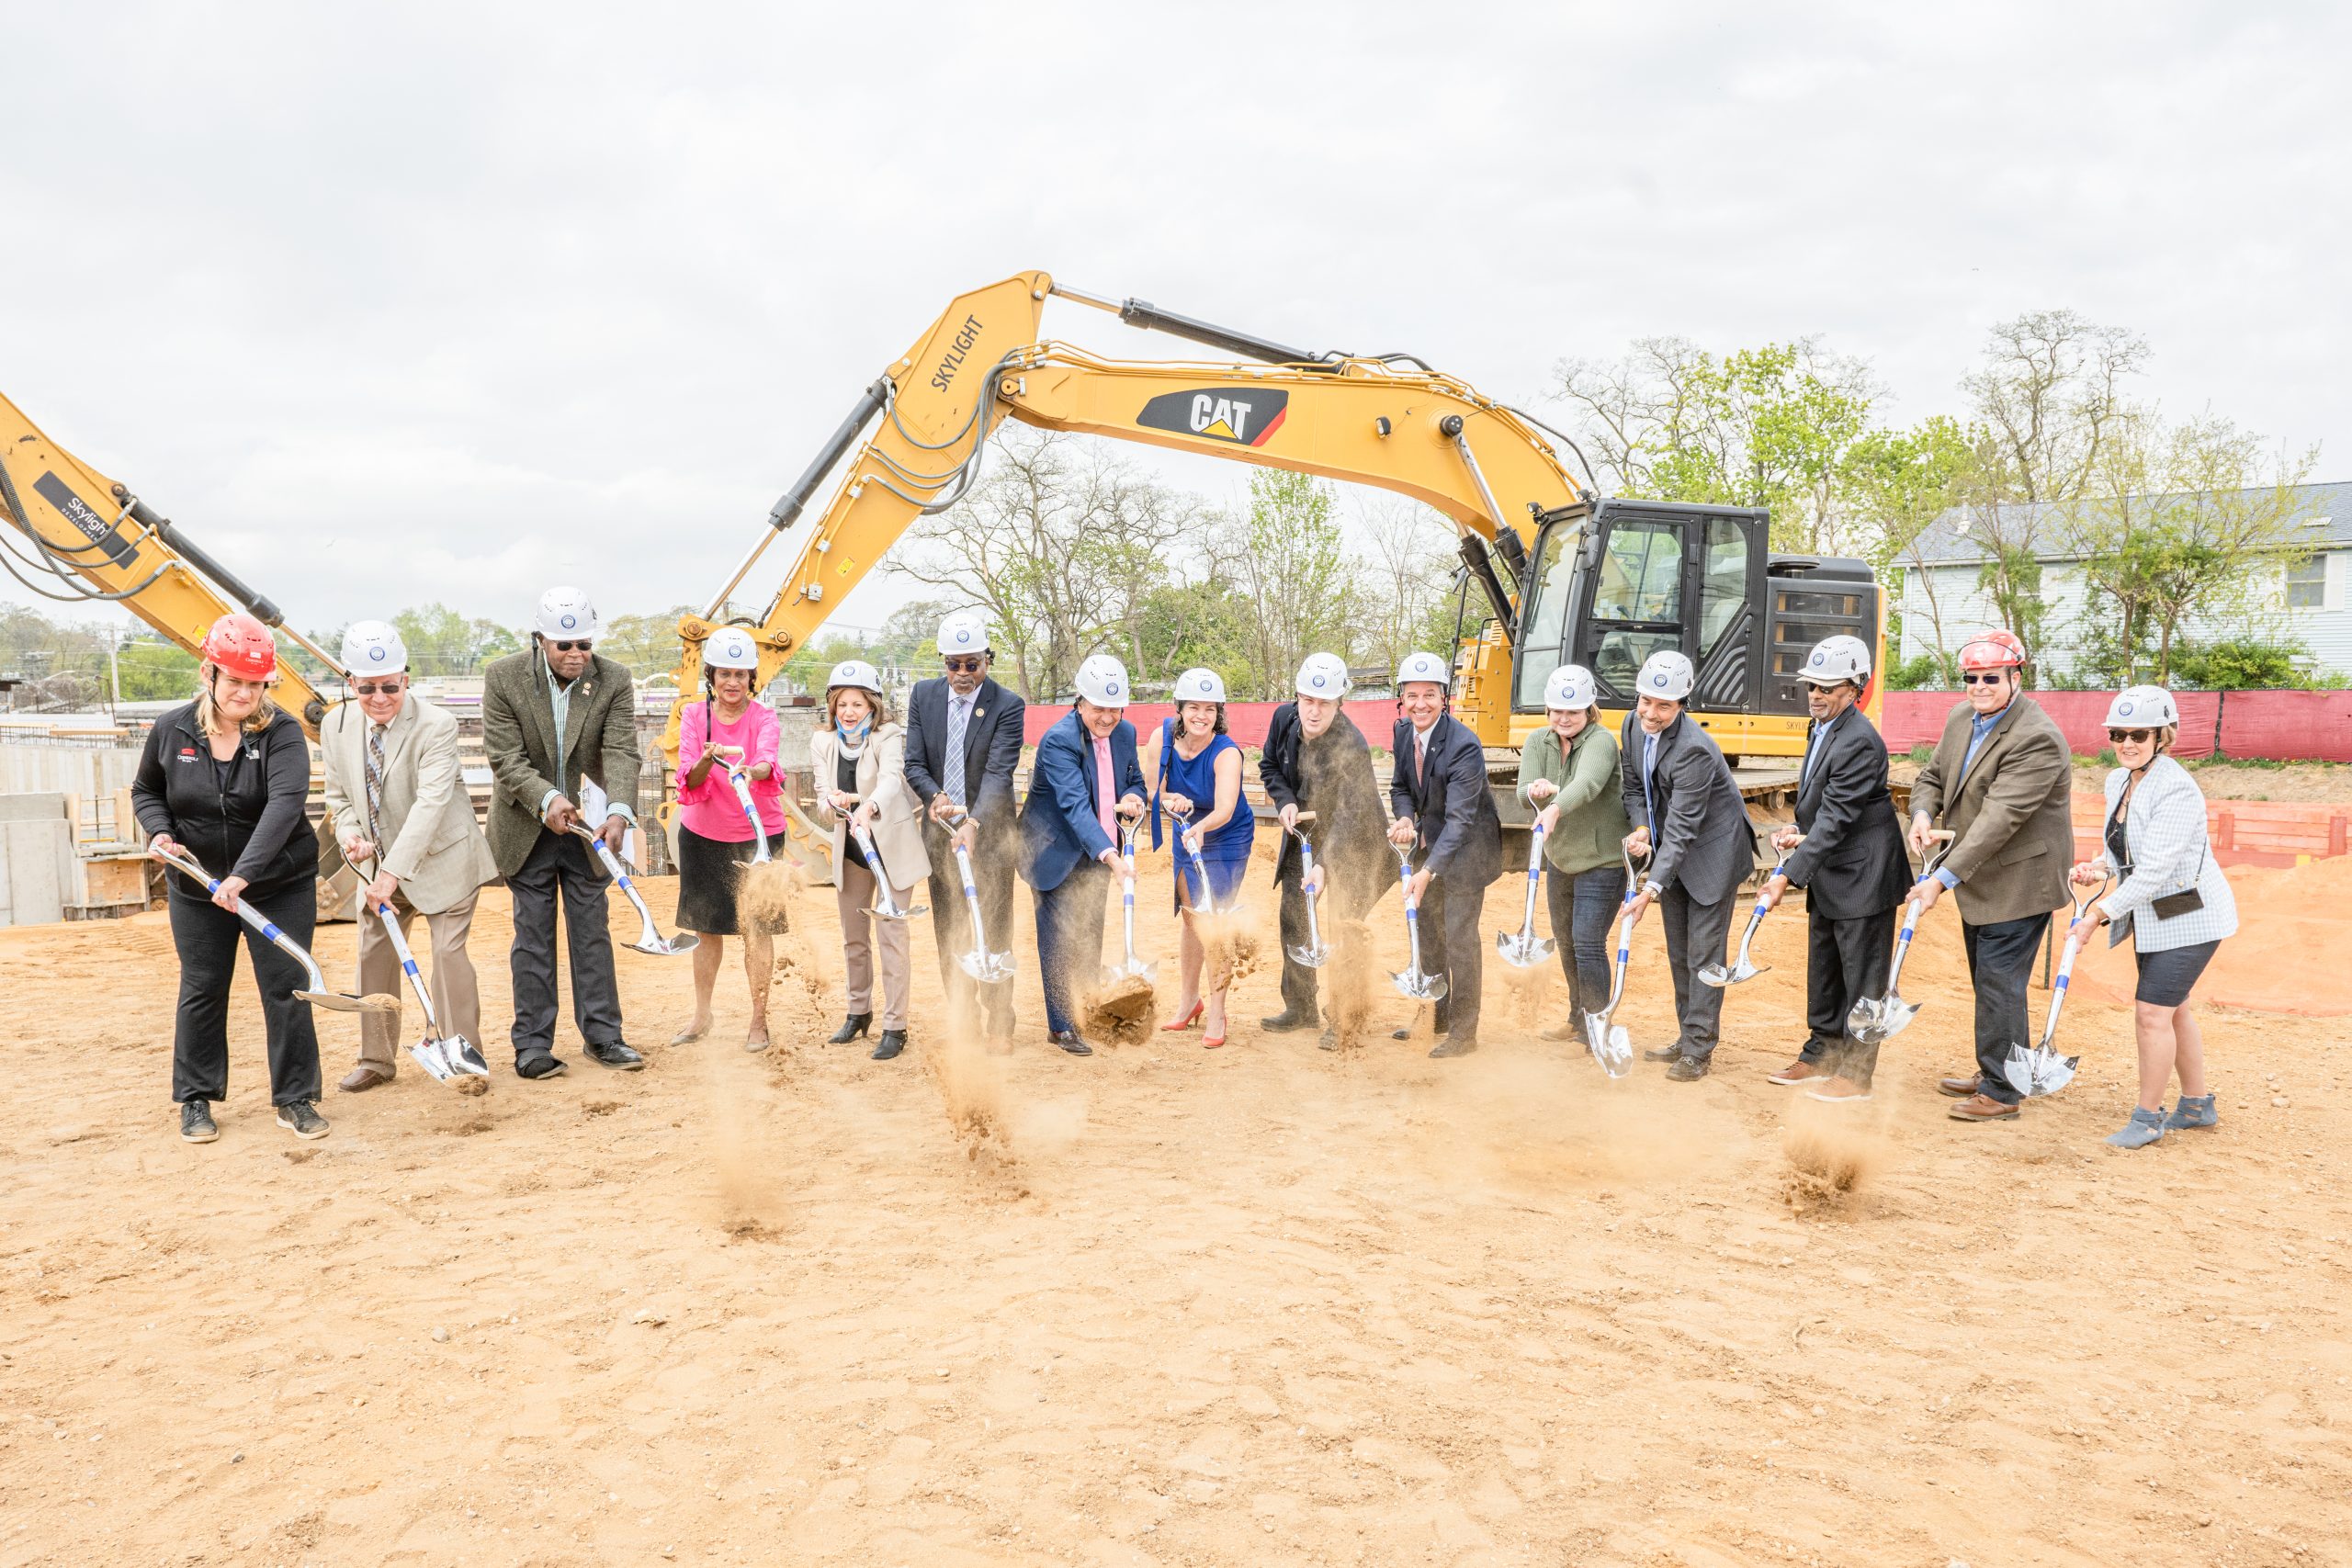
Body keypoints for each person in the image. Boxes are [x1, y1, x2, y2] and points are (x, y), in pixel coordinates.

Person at [131, 613, 329, 1143]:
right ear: (209, 672)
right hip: (197, 886)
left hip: (277, 885)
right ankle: (195, 1099)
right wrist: (159, 832)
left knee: (287, 987)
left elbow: (285, 806)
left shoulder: (283, 732)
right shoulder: (172, 729)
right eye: (234, 680)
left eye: (255, 683)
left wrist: (243, 876)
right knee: (202, 987)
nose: (244, 693)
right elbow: (146, 791)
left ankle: (296, 1098)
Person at [322, 620, 499, 1093]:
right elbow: (338, 798)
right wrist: (353, 837)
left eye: (389, 686)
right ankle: (376, 1058)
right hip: (378, 864)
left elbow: (431, 805)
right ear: (350, 682)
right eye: (367, 688)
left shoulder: (436, 725)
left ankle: (462, 1053)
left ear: (406, 678)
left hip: (444, 859)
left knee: (446, 954)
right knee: (374, 948)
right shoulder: (335, 725)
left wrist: (393, 872)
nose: (379, 697)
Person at [1908, 629, 2075, 1124]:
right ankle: (1999, 1068)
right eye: (1972, 678)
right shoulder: (1963, 718)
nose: (1980, 686)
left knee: (2000, 981)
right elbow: (1931, 777)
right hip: (1981, 876)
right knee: (1990, 980)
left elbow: (1999, 819)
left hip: (2021, 880)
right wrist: (1922, 813)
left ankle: (2002, 1091)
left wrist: (1941, 879)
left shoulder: (2036, 737)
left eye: (1992, 677)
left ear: (2016, 676)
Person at [481, 586, 645, 1080]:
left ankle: (604, 1036)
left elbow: (620, 749)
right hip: (526, 825)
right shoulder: (503, 677)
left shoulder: (613, 679)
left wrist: (617, 810)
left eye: (585, 645)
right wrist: (547, 799)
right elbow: (505, 758)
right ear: (540, 641)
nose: (576, 655)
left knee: (592, 932)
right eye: (564, 646)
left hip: (588, 828)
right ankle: (532, 1046)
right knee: (532, 938)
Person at [2070, 685, 2239, 1148]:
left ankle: (2147, 1118)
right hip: (2154, 914)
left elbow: (2156, 870)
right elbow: (2122, 849)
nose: (2127, 743)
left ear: (2164, 735)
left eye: (2138, 734)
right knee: (2173, 1008)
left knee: (2151, 1014)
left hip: (2191, 915)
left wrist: (2098, 914)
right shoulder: (2117, 781)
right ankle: (2197, 1104)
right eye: (2118, 733)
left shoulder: (2177, 789)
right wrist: (2098, 867)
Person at [1758, 635, 1910, 1102]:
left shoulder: (1861, 741)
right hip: (1832, 867)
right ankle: (1821, 1052)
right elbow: (1825, 812)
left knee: (1863, 976)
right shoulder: (1821, 727)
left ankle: (1857, 1074)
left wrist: (1786, 873)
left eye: (1829, 687)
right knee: (1825, 968)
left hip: (1864, 874)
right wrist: (1799, 834)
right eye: (1812, 687)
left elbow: (1837, 817)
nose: (1817, 696)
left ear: (1856, 688)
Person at [1617, 649, 1757, 1081]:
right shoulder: (1631, 724)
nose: (1651, 713)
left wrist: (1650, 889)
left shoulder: (1694, 750)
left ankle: (1699, 1050)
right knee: (1680, 953)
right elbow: (1633, 786)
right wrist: (1641, 828)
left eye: (1664, 706)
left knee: (1704, 955)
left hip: (1712, 854)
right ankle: (1686, 1034)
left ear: (1682, 705)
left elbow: (1682, 829)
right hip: (1670, 853)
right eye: (1646, 702)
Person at [903, 611, 1026, 1050]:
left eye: (971, 664)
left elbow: (998, 774)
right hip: (939, 831)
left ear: (987, 660)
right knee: (950, 926)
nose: (961, 674)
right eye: (953, 664)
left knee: (993, 926)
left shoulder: (1007, 705)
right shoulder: (924, 696)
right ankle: (965, 1017)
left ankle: (999, 1023)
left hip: (990, 836)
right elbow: (914, 762)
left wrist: (973, 821)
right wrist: (934, 796)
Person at [1260, 652, 1396, 1046]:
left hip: (1358, 844)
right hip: (1304, 831)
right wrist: (1285, 800)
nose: (1314, 711)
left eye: (1324, 703)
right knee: (1294, 918)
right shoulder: (1284, 719)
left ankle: (1343, 1017)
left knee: (1342, 926)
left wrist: (1324, 866)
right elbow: (1269, 765)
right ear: (1297, 696)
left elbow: (1351, 817)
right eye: (1308, 700)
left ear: (1340, 703)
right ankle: (1301, 1008)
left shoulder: (1350, 745)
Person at [1017, 652, 1148, 1055]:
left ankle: (1085, 1008)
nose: (1107, 717)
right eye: (1098, 708)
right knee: (1058, 940)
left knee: (1090, 933)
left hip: (1099, 848)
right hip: (1052, 851)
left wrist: (1133, 798)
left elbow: (1136, 782)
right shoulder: (1059, 740)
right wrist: (1113, 857)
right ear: (1079, 701)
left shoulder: (1124, 734)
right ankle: (1061, 1027)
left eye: (1114, 708)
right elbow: (1074, 805)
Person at [669, 626, 786, 1052]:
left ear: (752, 677)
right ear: (711, 676)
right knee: (705, 928)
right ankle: (702, 1015)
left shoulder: (764, 717)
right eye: (724, 674)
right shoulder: (695, 717)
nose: (733, 683)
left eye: (741, 674)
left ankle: (759, 1019)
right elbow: (689, 776)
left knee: (758, 928)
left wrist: (750, 769)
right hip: (703, 835)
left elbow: (766, 761)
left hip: (759, 836)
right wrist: (704, 759)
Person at [809, 660, 932, 1061]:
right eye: (842, 703)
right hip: (852, 851)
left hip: (890, 848)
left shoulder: (888, 736)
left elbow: (892, 781)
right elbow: (824, 796)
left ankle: (895, 1026)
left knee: (891, 937)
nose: (848, 711)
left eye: (858, 704)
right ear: (832, 706)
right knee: (854, 937)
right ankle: (858, 1011)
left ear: (873, 706)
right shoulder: (822, 743)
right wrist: (834, 804)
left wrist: (866, 806)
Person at [1387, 650, 1504, 1058]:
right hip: (1431, 842)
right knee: (1428, 933)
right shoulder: (1404, 733)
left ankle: (1463, 1032)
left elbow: (1460, 820)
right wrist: (1404, 818)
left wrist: (1428, 871)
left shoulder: (1464, 746)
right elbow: (1401, 787)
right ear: (1402, 698)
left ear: (1444, 698)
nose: (1420, 704)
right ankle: (1435, 1015)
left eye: (1430, 695)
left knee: (1459, 939)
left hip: (1468, 850)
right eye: (1412, 695)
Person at [1515, 665, 1631, 1041]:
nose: (1565, 719)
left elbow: (1589, 783)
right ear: (1548, 710)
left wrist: (1554, 804)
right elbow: (1522, 792)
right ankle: (1577, 1018)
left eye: (1574, 712)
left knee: (1587, 942)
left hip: (1603, 860)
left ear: (1589, 710)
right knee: (1566, 941)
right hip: (1562, 858)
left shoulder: (1601, 741)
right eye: (1557, 711)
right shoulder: (1536, 741)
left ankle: (1595, 1030)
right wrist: (1537, 790)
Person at [1144, 667, 1257, 1048]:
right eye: (1194, 706)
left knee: (1216, 925)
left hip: (1225, 837)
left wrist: (1200, 828)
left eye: (1210, 709)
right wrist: (1169, 799)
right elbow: (1151, 790)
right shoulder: (1160, 739)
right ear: (1180, 708)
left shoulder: (1226, 752)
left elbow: (1225, 809)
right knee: (1192, 920)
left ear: (1218, 713)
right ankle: (1189, 1002)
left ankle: (1218, 1013)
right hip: (1185, 830)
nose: (1201, 716)